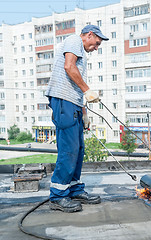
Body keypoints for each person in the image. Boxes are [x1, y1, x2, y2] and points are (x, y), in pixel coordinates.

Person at [45, 25, 109, 213]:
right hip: (63, 101)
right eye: (96, 43)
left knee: (78, 149)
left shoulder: (81, 51)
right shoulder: (74, 40)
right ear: (89, 35)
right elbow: (68, 67)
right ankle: (58, 196)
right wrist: (87, 90)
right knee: (68, 149)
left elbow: (76, 84)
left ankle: (73, 189)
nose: (96, 47)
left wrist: (85, 114)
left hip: (73, 103)